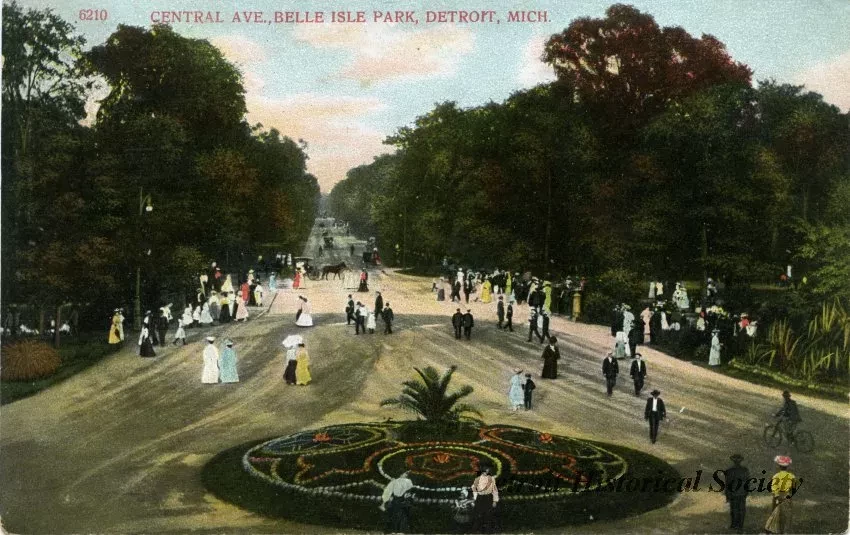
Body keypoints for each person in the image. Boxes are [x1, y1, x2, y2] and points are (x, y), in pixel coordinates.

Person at [764, 456, 796, 534]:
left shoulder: (776, 476)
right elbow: (793, 488)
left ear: (779, 466)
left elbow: (774, 488)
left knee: (776, 513)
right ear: (787, 467)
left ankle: (775, 529)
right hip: (787, 496)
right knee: (786, 514)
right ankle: (785, 531)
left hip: (778, 496)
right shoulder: (791, 476)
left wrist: (777, 497)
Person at [724, 453, 750, 533]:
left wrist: (727, 495)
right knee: (741, 509)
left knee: (734, 509)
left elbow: (727, 484)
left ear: (733, 461)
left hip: (733, 492)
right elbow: (747, 482)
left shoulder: (729, 471)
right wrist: (746, 491)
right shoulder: (745, 470)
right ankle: (740, 525)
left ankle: (734, 525)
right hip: (742, 492)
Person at [471, 465, 499, 533]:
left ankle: (488, 531)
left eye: (488, 470)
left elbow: (494, 490)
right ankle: (479, 531)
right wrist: (475, 499)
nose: (487, 471)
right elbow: (474, 489)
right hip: (480, 498)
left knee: (488, 515)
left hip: (488, 497)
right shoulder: (477, 479)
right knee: (479, 515)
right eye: (485, 470)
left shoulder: (491, 479)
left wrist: (495, 500)